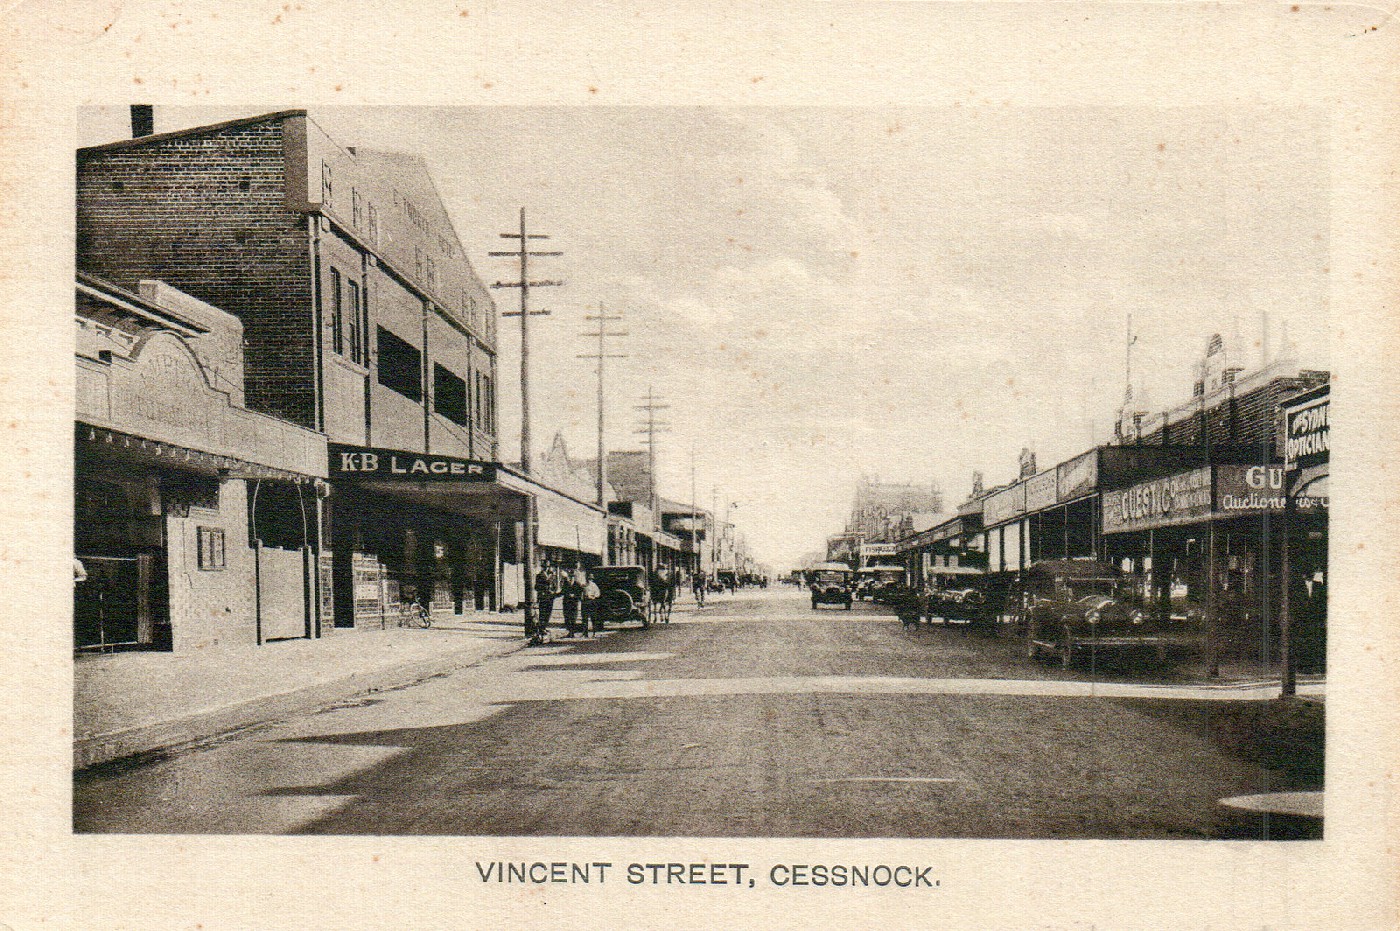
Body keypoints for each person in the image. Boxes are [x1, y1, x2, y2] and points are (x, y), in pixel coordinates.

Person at [532, 566, 557, 644]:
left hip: (550, 597)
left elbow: (555, 586)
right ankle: (541, 629)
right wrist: (543, 588)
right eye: (545, 567)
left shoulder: (553, 576)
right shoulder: (539, 576)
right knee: (542, 613)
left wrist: (553, 591)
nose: (547, 568)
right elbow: (536, 587)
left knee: (548, 613)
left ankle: (544, 627)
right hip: (543, 596)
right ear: (543, 568)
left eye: (548, 567)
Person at [561, 568, 584, 638]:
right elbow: (562, 592)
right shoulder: (565, 583)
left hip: (574, 603)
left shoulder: (577, 584)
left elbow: (580, 593)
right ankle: (569, 631)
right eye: (570, 576)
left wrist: (575, 595)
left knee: (573, 618)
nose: (571, 578)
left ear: (574, 577)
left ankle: (572, 632)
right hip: (566, 603)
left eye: (572, 576)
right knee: (567, 617)